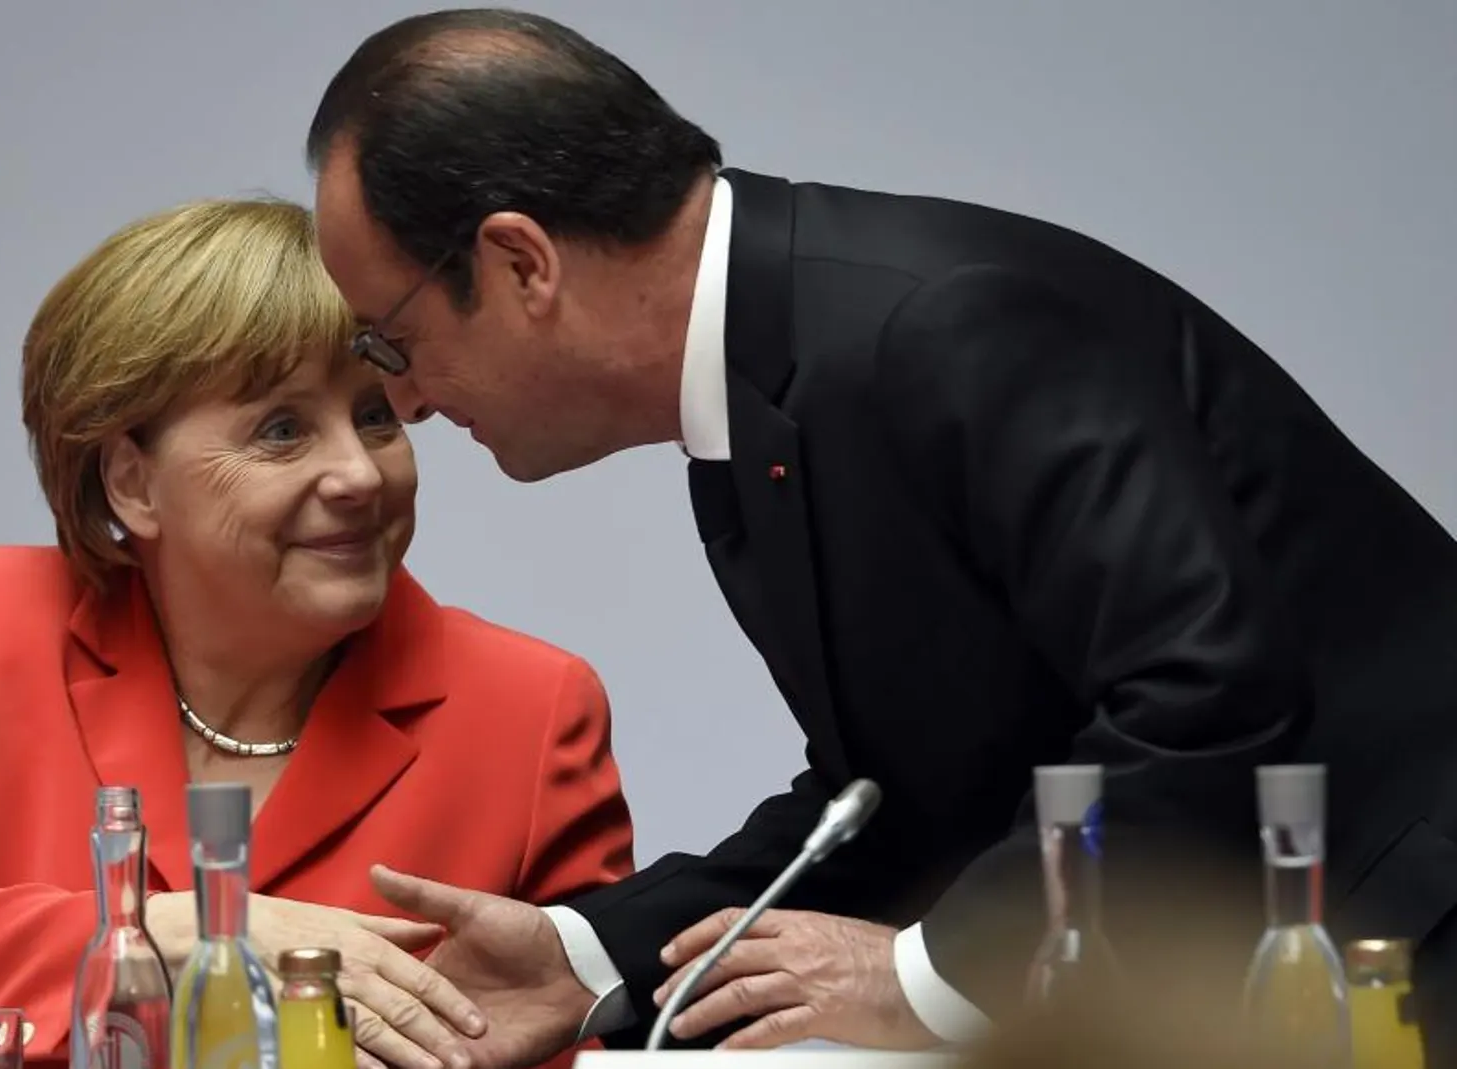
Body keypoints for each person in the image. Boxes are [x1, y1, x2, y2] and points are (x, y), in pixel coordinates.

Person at [300, 7, 1457, 1066]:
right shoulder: (765, 375)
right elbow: (900, 791)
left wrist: (924, 974)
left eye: (389, 344)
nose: (403, 403)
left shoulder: (946, 325)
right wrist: (586, 954)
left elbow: (1206, 702)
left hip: (1409, 929)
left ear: (518, 263)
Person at [0, 196, 636, 1069]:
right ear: (132, 483)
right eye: (283, 429)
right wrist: (178, 938)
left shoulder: (529, 707)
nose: (358, 472)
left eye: (375, 414)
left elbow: (598, 1042)